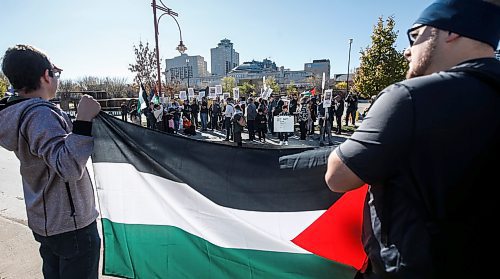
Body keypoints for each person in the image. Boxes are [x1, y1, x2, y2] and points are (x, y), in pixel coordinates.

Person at [324, 1, 500, 278]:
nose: (407, 51)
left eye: (415, 36)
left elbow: (337, 177)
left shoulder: (410, 97)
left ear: (450, 31)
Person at [0, 44, 102, 278]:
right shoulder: (40, 114)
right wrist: (84, 120)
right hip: (71, 225)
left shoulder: (17, 112)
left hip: (48, 222)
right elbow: (68, 166)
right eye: (55, 74)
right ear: (46, 76)